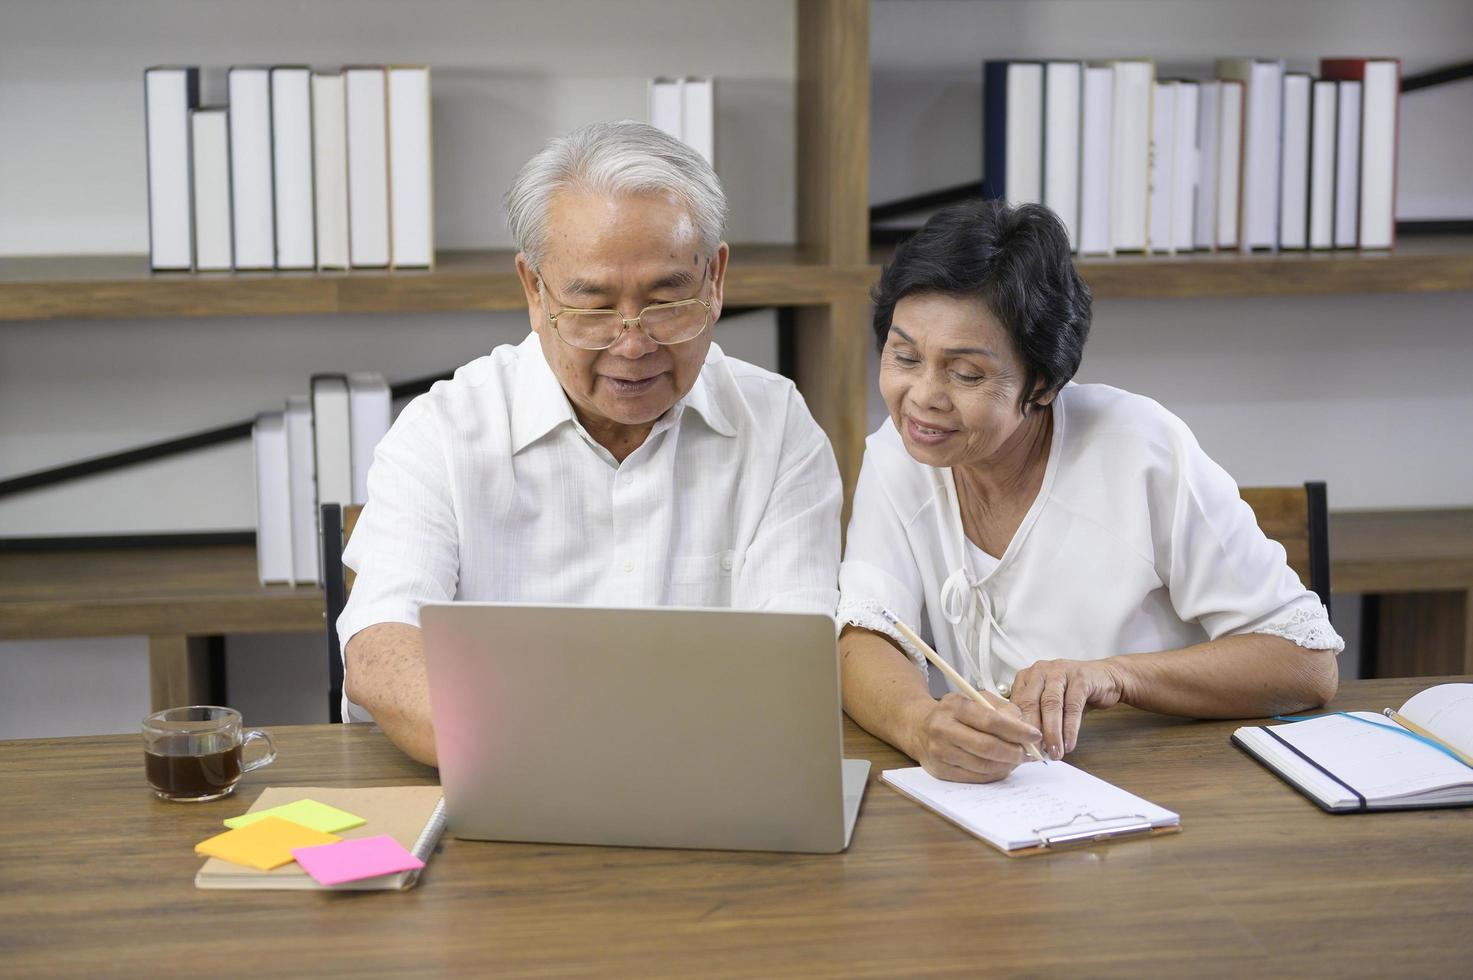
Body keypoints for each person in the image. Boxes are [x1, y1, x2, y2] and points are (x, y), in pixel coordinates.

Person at [339, 121, 843, 765]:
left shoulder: (777, 428)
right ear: (534, 290)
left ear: (715, 279)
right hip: (505, 785)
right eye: (594, 307)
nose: (633, 344)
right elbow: (380, 649)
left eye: (666, 300)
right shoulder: (442, 432)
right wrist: (559, 755)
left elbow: (792, 665)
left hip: (711, 794)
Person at [838, 199, 1343, 783]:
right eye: (904, 356)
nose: (922, 395)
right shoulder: (900, 452)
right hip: (1006, 804)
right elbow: (865, 632)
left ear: (1045, 382)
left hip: (1170, 787)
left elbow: (1305, 662)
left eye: (966, 373)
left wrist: (1115, 676)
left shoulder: (1140, 448)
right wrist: (921, 727)